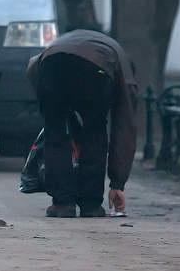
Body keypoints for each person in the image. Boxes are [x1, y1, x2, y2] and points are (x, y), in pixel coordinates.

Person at [26, 29, 138, 218]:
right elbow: (124, 127)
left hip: (50, 65)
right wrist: (118, 183)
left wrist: (53, 105)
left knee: (56, 134)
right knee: (95, 133)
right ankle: (91, 204)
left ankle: (62, 204)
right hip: (94, 70)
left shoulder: (67, 42)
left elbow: (32, 69)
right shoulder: (122, 66)